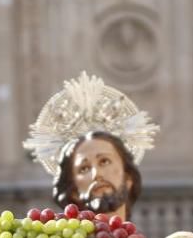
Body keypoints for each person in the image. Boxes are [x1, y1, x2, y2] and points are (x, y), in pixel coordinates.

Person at [25, 71, 157, 221]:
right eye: (84, 168)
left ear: (128, 179)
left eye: (104, 161)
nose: (96, 174)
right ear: (74, 191)